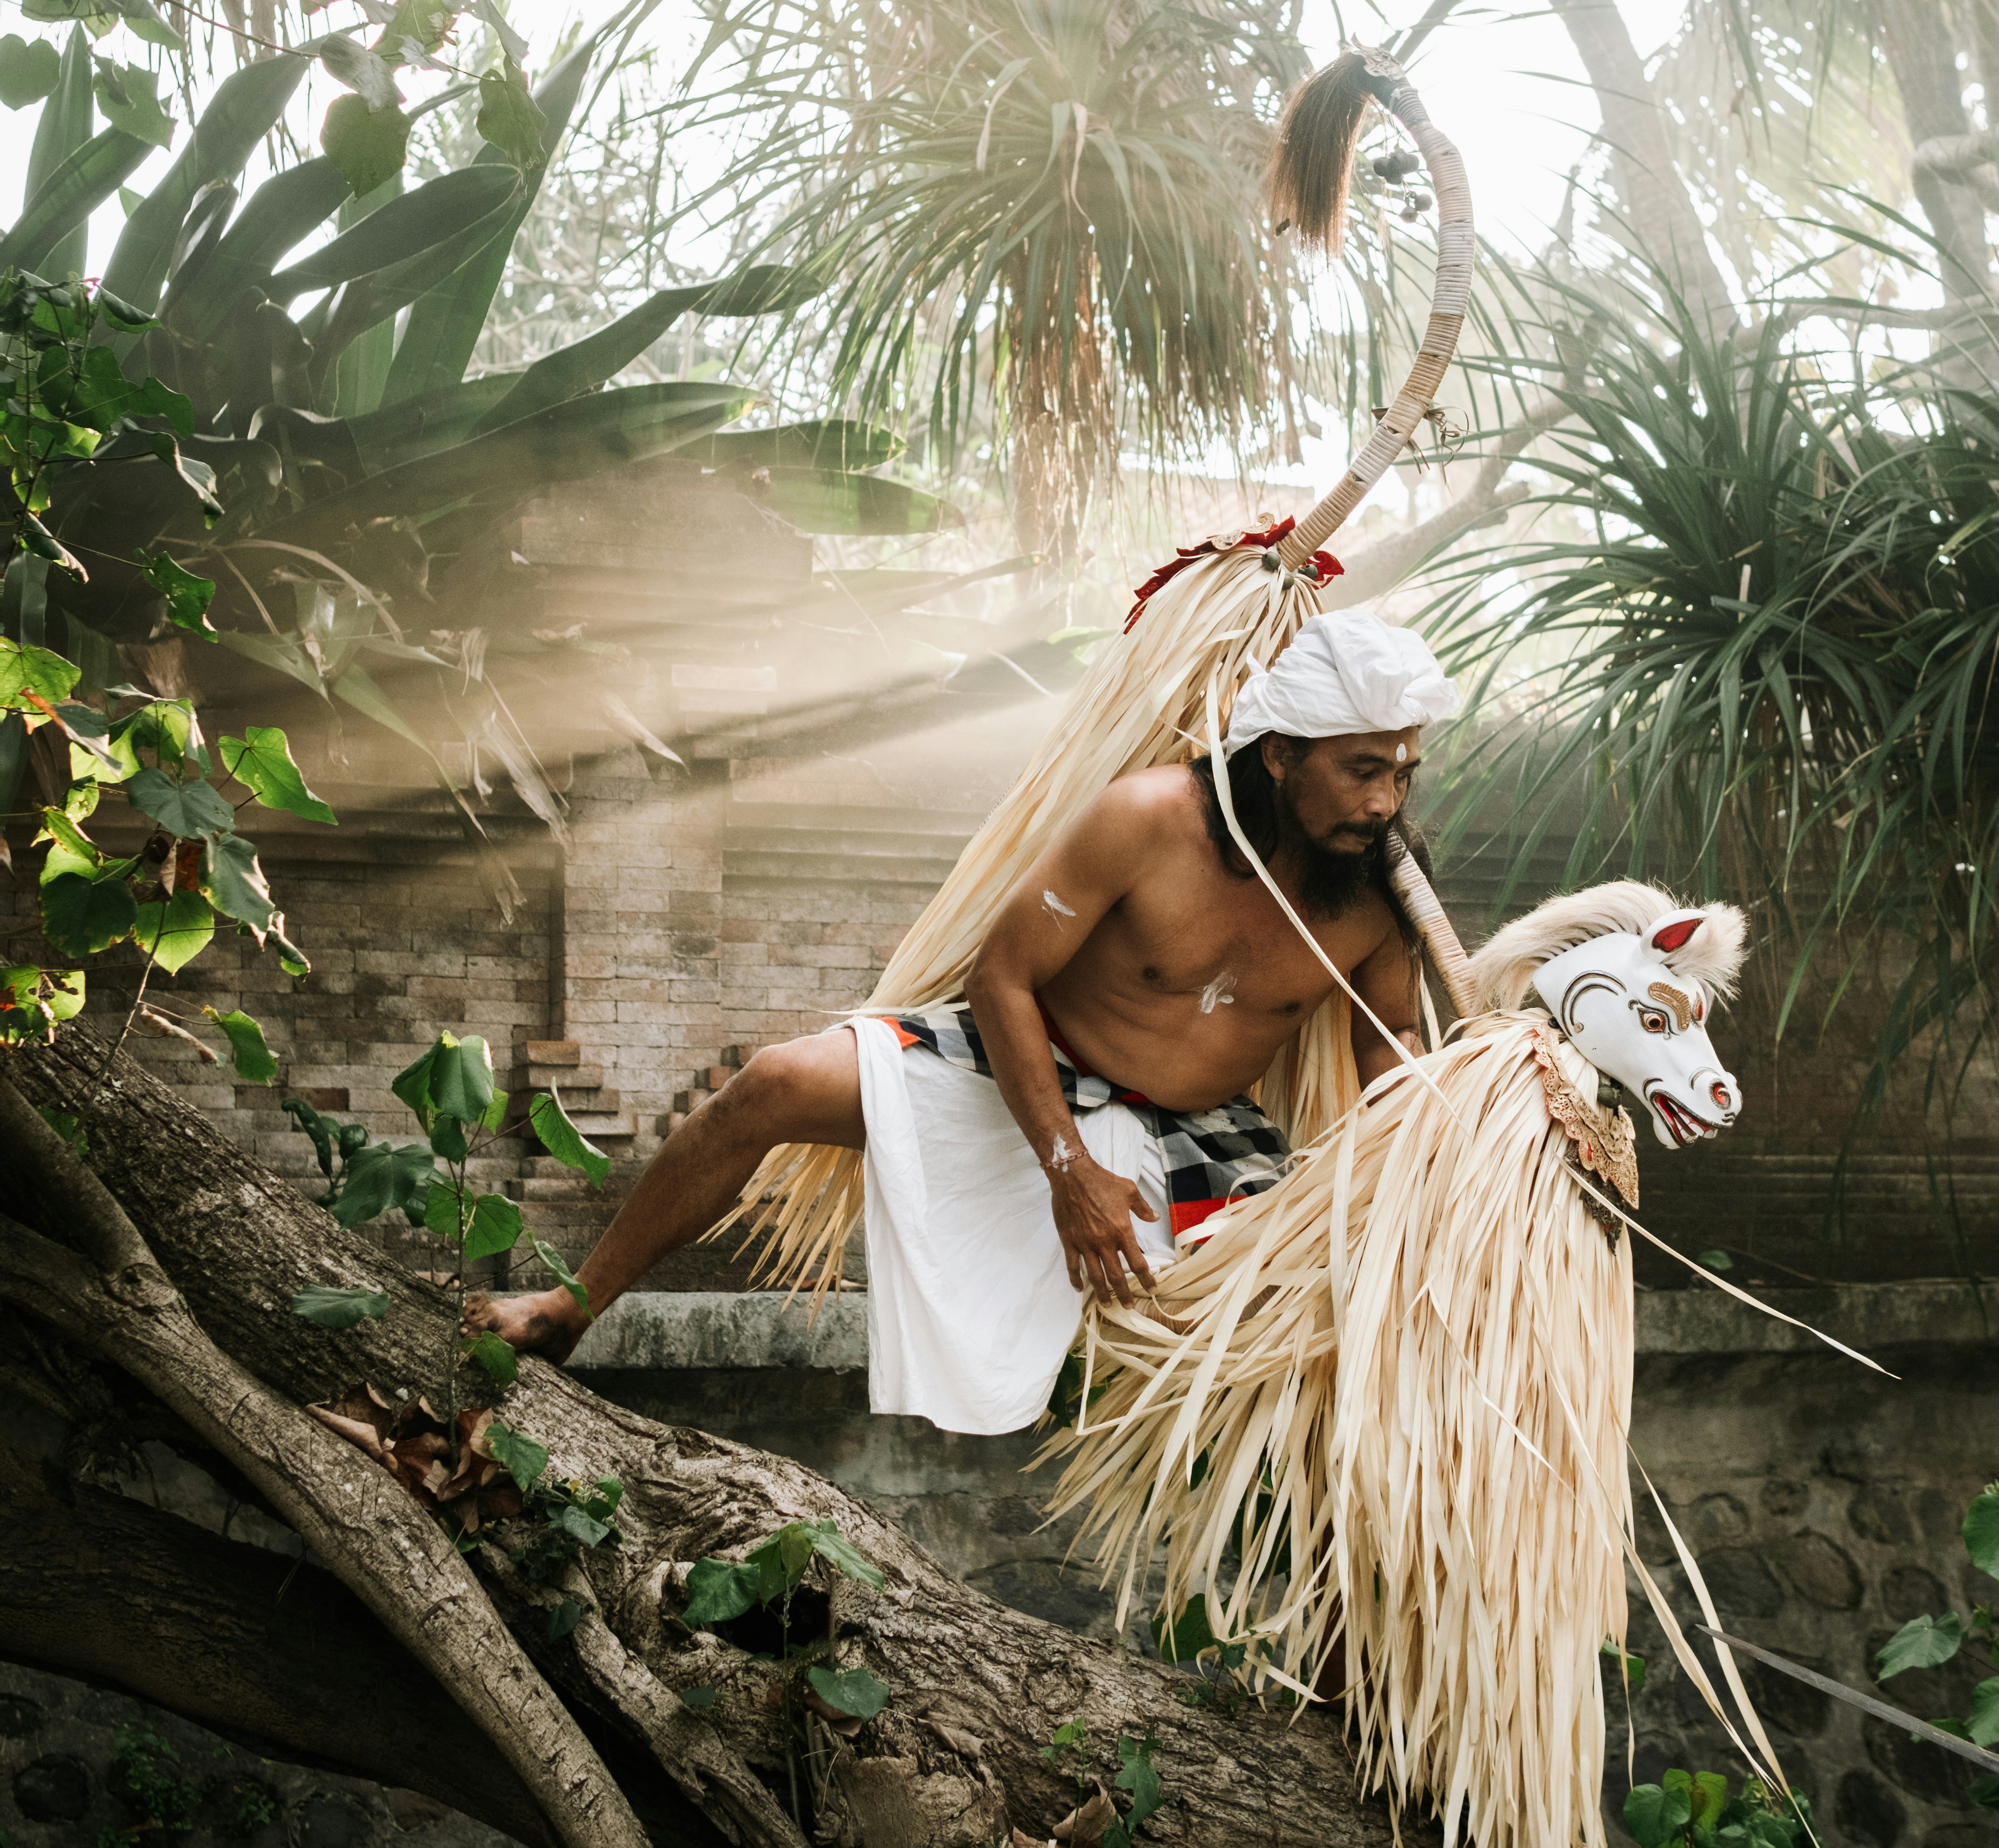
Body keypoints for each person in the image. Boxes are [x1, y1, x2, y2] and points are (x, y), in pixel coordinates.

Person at [465, 610, 1461, 1432]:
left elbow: (1388, 1049)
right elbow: (1003, 978)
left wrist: (1443, 1130)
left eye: (1401, 774)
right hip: (1026, 1063)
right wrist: (1067, 1168)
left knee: (1306, 1336)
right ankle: (571, 1305)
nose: (1385, 802)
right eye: (1361, 770)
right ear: (1280, 755)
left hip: (1205, 1133)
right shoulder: (1149, 818)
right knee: (772, 1082)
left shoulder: (1383, 891)